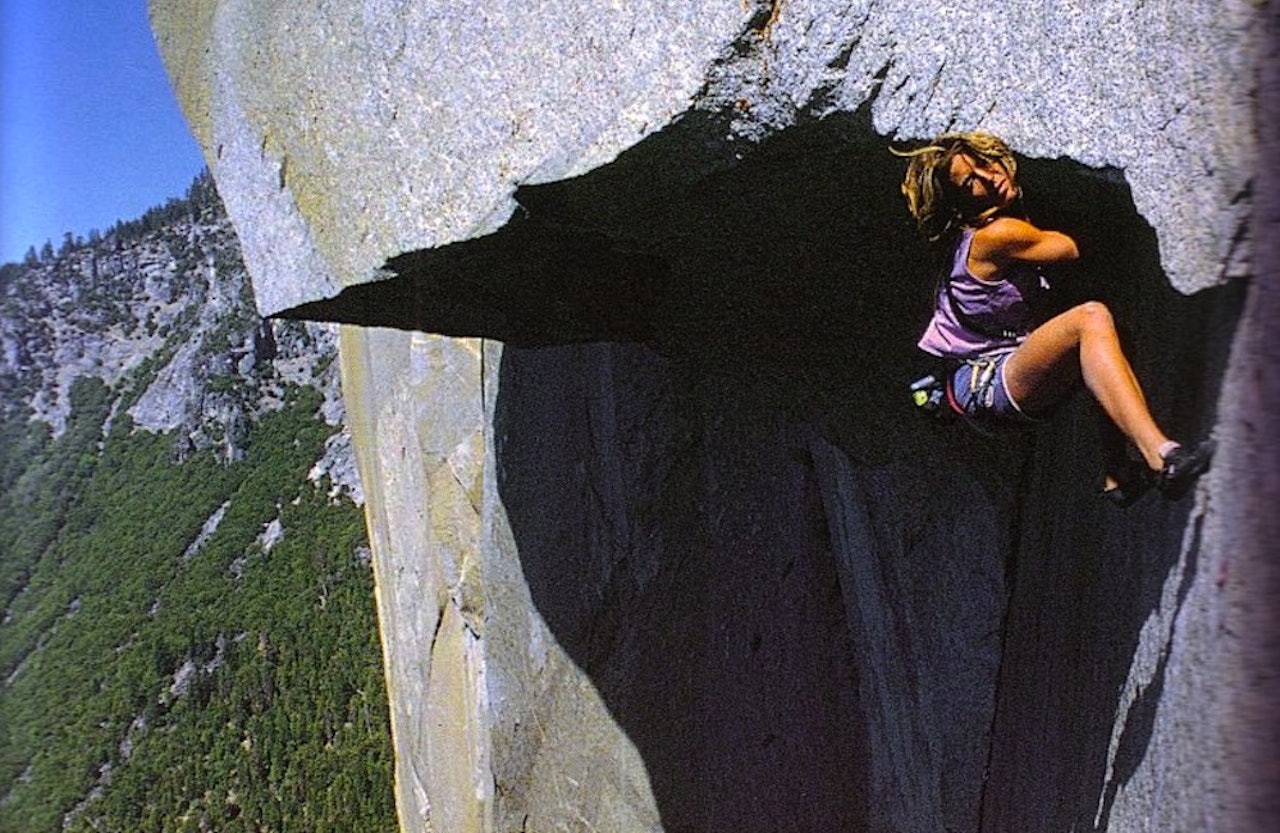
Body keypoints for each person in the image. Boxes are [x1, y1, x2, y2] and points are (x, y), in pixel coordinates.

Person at [897, 132, 1212, 502]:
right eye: (971, 183)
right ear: (962, 204)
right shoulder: (996, 235)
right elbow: (1073, 248)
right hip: (988, 382)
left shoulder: (981, 232)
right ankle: (1162, 457)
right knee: (1089, 319)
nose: (989, 176)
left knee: (1111, 340)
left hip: (987, 377)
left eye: (983, 162)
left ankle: (1119, 473)